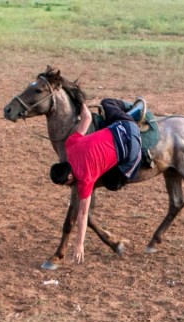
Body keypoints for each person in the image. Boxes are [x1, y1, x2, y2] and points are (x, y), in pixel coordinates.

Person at [50, 98, 145, 264]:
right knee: (107, 102)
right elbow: (87, 117)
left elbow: (82, 213)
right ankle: (133, 111)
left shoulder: (85, 180)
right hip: (123, 125)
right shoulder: (70, 144)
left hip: (133, 149)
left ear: (70, 178)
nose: (68, 187)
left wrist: (79, 244)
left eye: (66, 184)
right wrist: (79, 102)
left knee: (113, 183)